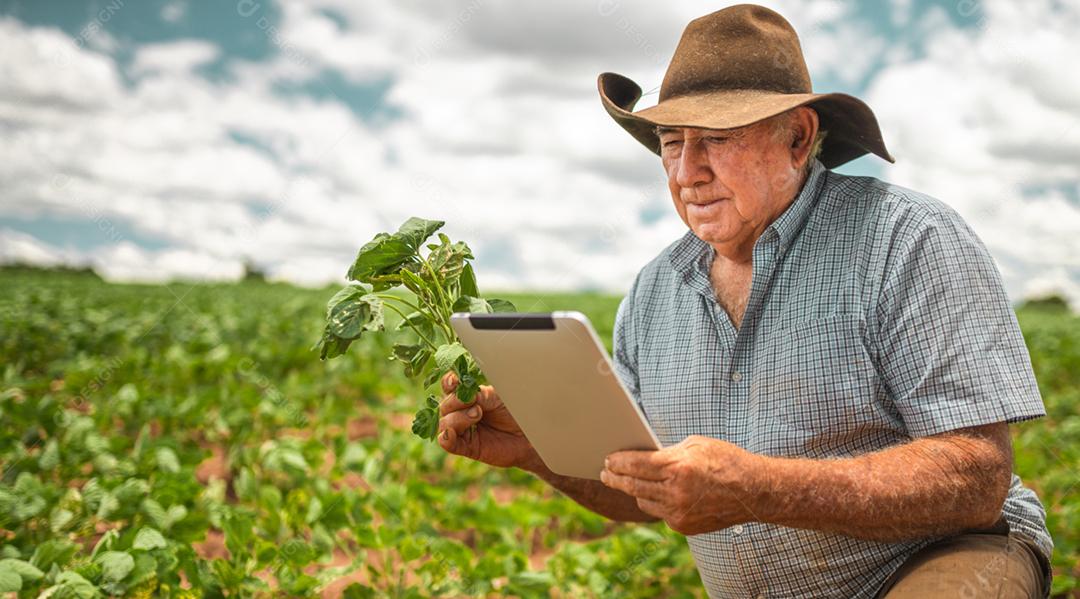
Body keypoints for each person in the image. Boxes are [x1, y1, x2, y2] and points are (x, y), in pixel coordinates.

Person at [437, 5, 1053, 597]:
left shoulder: (907, 239)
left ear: (798, 137)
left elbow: (974, 478)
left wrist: (758, 487)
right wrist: (540, 454)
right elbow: (641, 491)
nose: (686, 172)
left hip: (946, 558)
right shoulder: (654, 294)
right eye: (672, 142)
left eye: (715, 137)